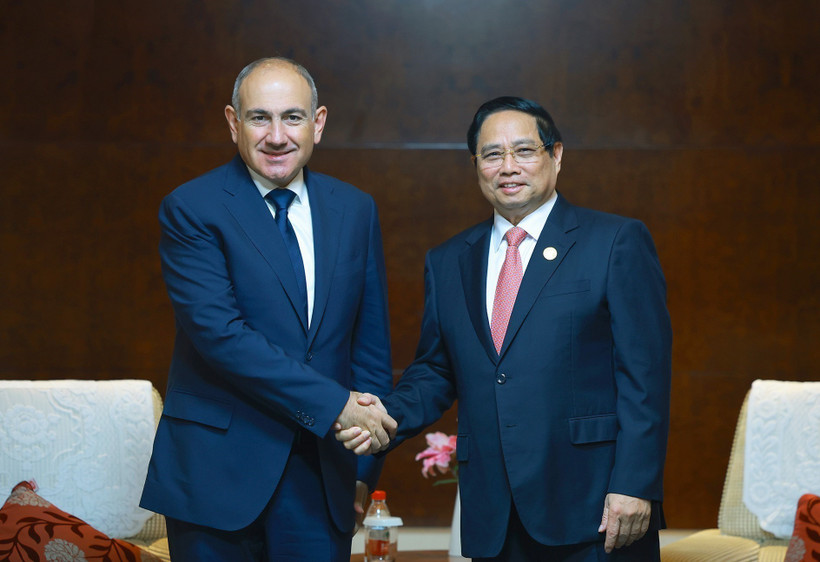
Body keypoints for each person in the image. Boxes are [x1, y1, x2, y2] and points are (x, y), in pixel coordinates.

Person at [339, 97, 672, 561]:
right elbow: (436, 370)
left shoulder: (614, 242)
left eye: (525, 151)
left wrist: (635, 484)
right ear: (475, 165)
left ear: (556, 156)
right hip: (494, 513)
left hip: (595, 508)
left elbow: (645, 377)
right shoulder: (449, 260)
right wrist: (383, 417)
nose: (508, 167)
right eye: (492, 154)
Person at [140, 57, 396, 561]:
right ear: (233, 123)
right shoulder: (192, 207)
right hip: (217, 475)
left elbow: (369, 347)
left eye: (292, 117)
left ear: (317, 123)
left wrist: (363, 468)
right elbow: (221, 336)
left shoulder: (355, 209)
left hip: (323, 477)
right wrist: (335, 405)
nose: (277, 136)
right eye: (260, 117)